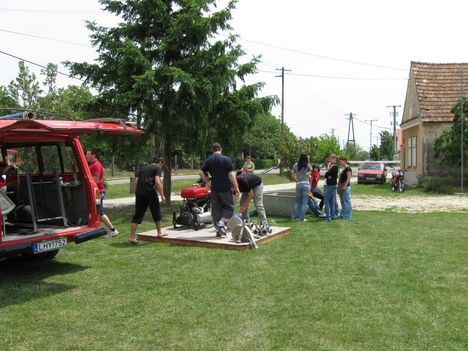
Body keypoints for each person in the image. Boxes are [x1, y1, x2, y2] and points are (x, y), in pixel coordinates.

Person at [199, 143, 240, 237]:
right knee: (230, 208)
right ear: (221, 150)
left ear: (213, 150)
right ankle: (221, 224)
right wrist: (236, 187)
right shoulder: (226, 159)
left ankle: (219, 229)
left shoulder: (209, 160)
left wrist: (207, 182)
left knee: (216, 209)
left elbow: (200, 172)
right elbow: (231, 175)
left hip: (214, 189)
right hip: (225, 188)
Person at [128, 156, 166, 245]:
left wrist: (137, 192)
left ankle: (132, 237)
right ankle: (159, 233)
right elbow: (157, 182)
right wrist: (162, 195)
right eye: (162, 165)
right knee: (156, 211)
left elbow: (136, 181)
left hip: (140, 192)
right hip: (150, 192)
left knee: (137, 214)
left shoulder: (143, 168)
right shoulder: (157, 168)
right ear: (160, 162)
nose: (161, 167)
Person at [86, 149, 118, 237]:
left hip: (98, 192)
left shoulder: (96, 165)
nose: (86, 156)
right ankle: (96, 230)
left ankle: (113, 230)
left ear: (93, 155)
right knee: (97, 212)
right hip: (97, 192)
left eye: (88, 154)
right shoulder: (91, 164)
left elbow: (95, 181)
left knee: (100, 213)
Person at [291, 154, 312, 221]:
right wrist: (308, 160)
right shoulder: (306, 165)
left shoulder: (295, 165)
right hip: (305, 184)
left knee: (297, 201)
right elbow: (311, 169)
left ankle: (294, 217)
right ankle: (301, 218)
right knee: (304, 202)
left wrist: (297, 181)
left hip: (298, 184)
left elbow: (293, 175)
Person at [323, 154, 339, 222]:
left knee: (326, 201)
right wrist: (328, 174)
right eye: (330, 158)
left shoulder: (335, 166)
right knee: (331, 201)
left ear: (335, 159)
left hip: (330, 185)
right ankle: (332, 215)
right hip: (331, 185)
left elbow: (327, 175)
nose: (330, 159)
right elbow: (326, 176)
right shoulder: (331, 166)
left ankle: (328, 217)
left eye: (332, 158)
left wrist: (328, 172)